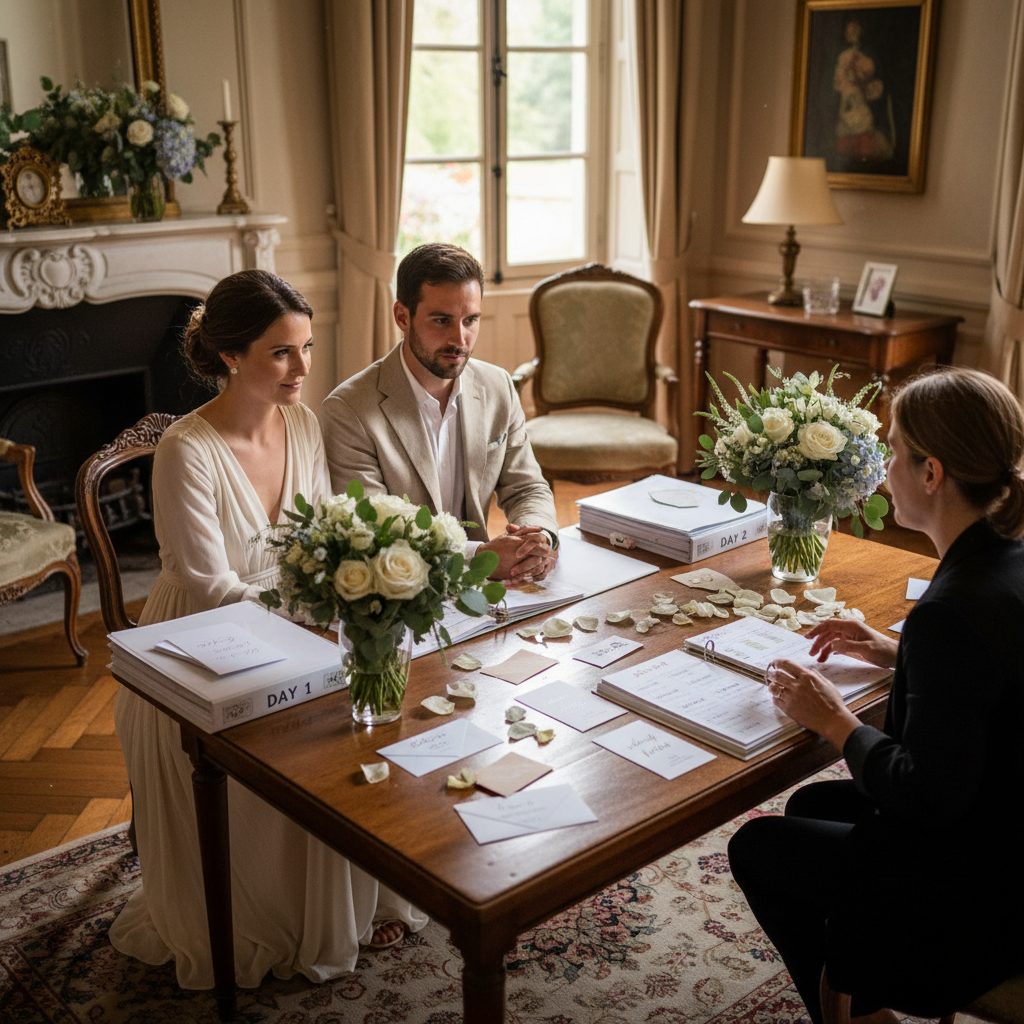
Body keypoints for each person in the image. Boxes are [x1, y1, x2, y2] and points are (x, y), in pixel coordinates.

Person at [109, 270, 426, 990]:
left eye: (307, 347)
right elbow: (207, 582)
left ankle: (351, 899)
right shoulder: (184, 451)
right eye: (282, 353)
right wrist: (306, 618)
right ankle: (263, 916)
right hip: (198, 640)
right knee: (296, 741)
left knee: (373, 717)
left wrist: (345, 599)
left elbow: (323, 538)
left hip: (298, 625)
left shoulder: (305, 425)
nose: (304, 368)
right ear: (229, 356)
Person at [727, 367, 1024, 1024]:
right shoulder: (1007, 560)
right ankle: (859, 985)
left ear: (931, 474)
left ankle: (864, 1015)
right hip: (1008, 826)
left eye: (893, 451)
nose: (885, 466)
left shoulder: (950, 611)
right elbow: (994, 678)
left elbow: (926, 794)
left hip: (985, 893)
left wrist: (832, 719)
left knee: (758, 848)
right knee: (810, 802)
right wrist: (897, 652)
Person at [319, 242, 559, 583]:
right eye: (442, 320)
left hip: (489, 591)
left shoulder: (498, 386)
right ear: (402, 316)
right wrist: (479, 556)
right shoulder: (348, 411)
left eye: (471, 320)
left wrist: (538, 540)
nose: (460, 339)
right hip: (400, 592)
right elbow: (374, 531)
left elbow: (527, 487)